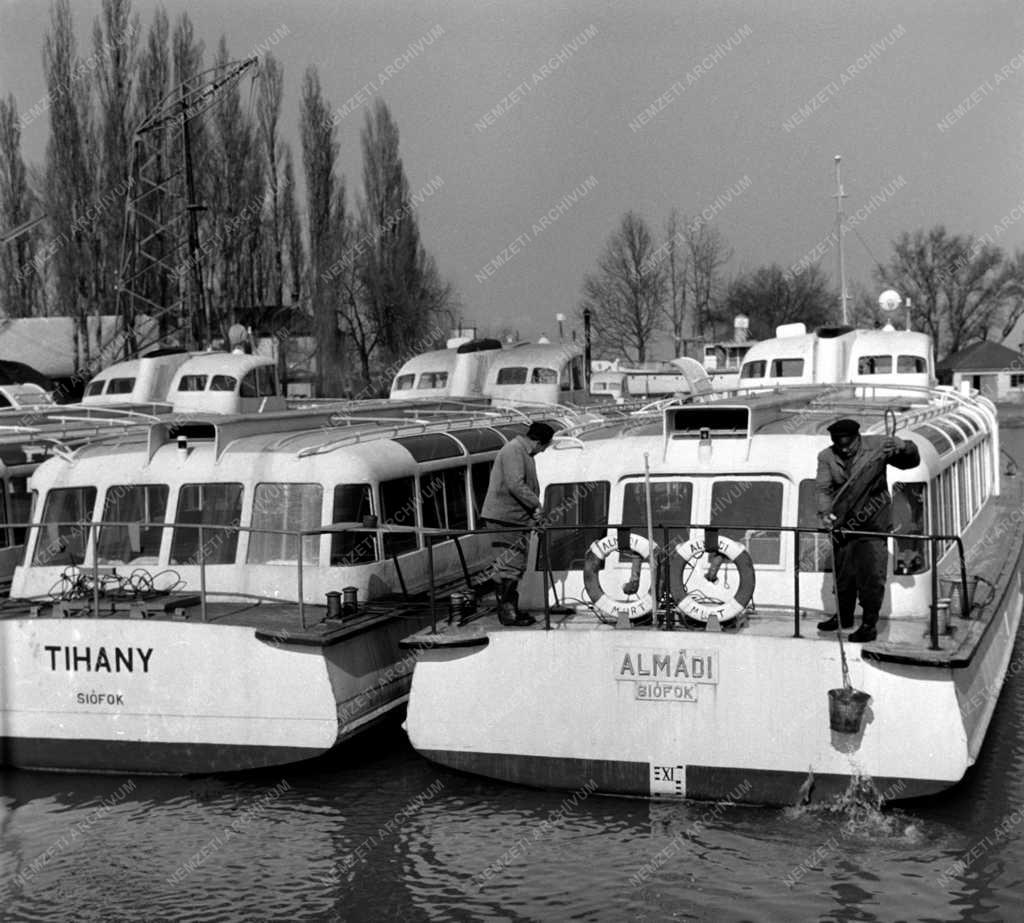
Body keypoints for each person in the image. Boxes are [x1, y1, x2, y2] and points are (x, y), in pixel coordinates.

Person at [815, 418, 920, 642]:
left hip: (873, 524)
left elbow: (910, 462)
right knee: (843, 576)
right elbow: (823, 489)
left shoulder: (879, 446)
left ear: (857, 437)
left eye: (848, 445)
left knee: (871, 577)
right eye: (839, 445)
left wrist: (903, 446)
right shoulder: (826, 457)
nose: (844, 449)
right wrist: (825, 514)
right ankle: (843, 618)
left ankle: (869, 625)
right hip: (843, 525)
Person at [480, 420, 555, 626]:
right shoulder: (514, 451)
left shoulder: (522, 452)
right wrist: (536, 505)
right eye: (544, 447)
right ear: (538, 442)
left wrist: (533, 515)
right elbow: (515, 484)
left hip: (514, 518)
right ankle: (508, 613)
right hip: (505, 518)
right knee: (511, 565)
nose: (543, 451)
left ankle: (510, 609)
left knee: (513, 565)